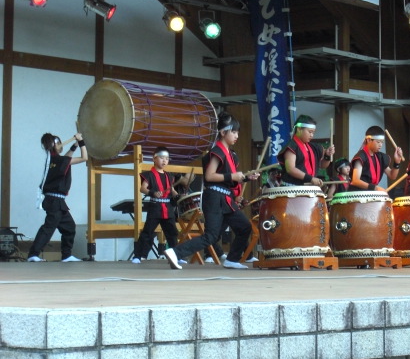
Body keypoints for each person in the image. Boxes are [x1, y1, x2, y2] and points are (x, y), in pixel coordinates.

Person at [164, 113, 259, 270]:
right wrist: (233, 175)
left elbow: (229, 179)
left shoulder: (229, 153)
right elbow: (210, 176)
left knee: (244, 227)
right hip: (215, 197)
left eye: (237, 132)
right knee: (211, 236)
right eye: (233, 132)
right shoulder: (217, 151)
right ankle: (175, 253)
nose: (237, 135)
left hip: (225, 198)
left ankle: (232, 259)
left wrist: (246, 178)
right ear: (223, 133)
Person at [27, 132, 88, 262]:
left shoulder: (53, 160)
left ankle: (66, 255)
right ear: (55, 145)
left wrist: (74, 145)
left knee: (69, 227)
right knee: (48, 228)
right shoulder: (60, 161)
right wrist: (82, 142)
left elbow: (65, 159)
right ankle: (33, 254)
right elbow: (84, 158)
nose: (61, 145)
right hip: (55, 201)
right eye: (59, 143)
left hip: (55, 201)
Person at [131, 147, 180, 264]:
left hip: (167, 208)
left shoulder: (169, 176)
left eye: (167, 159)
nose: (164, 161)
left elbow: (172, 190)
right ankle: (138, 256)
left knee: (172, 233)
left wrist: (176, 194)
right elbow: (142, 188)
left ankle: (177, 256)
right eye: (162, 158)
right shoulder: (149, 174)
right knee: (148, 232)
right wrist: (152, 192)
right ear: (154, 158)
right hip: (155, 207)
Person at [278, 114, 335, 186]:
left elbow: (322, 165)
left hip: (308, 187)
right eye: (310, 132)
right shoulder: (291, 147)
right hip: (292, 187)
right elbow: (290, 169)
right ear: (299, 129)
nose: (312, 135)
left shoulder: (314, 147)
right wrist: (311, 179)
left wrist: (327, 155)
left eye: (313, 133)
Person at [349, 126, 402, 191]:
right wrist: (375, 188)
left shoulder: (381, 157)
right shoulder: (360, 157)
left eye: (382, 142)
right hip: (358, 194)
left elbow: (392, 176)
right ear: (368, 140)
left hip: (372, 193)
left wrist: (397, 162)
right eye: (378, 142)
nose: (380, 145)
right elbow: (355, 180)